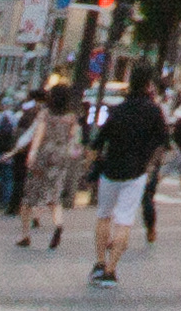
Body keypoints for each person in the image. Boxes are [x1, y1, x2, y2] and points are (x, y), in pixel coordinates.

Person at [88, 74, 165, 288]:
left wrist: (92, 165)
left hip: (111, 170)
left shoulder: (118, 110)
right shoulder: (153, 111)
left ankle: (100, 262)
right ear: (149, 86)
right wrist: (150, 166)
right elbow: (162, 141)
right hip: (136, 172)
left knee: (104, 215)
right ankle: (111, 270)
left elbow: (98, 142)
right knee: (124, 220)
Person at [16, 83, 83, 250]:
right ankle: (58, 224)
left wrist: (32, 153)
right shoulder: (71, 117)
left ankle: (25, 235)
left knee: (29, 198)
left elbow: (39, 135)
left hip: (44, 156)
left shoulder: (45, 114)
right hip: (60, 158)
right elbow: (73, 139)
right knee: (54, 195)